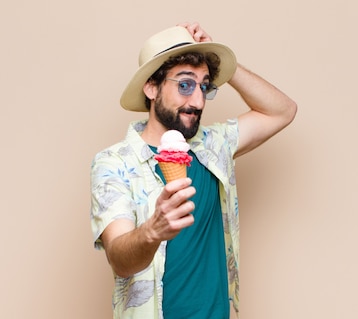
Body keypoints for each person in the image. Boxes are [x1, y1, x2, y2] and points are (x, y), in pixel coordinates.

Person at [90, 22, 297, 318]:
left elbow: (282, 110)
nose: (198, 101)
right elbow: (120, 258)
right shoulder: (114, 163)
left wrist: (226, 65)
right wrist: (153, 230)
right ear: (151, 87)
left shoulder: (214, 145)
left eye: (205, 86)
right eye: (185, 85)